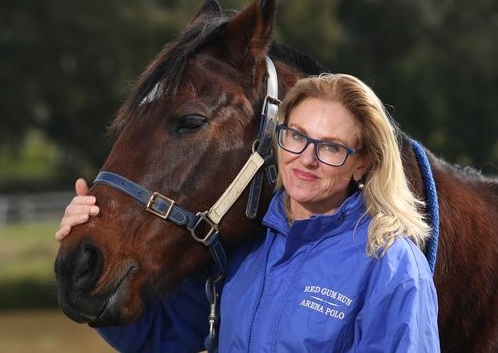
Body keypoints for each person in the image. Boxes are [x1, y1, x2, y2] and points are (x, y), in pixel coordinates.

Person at [56, 74, 440, 352]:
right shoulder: (243, 248)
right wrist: (89, 266)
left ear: (362, 164)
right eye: (297, 136)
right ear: (279, 137)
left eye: (331, 147)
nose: (306, 159)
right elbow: (160, 337)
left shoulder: (391, 266)